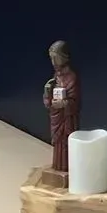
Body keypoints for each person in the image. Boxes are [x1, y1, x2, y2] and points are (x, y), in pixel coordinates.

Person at [43, 41, 81, 175]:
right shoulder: (55, 77)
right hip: (57, 117)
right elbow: (50, 99)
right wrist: (48, 93)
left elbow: (75, 102)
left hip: (67, 120)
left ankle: (67, 170)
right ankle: (58, 168)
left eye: (56, 57)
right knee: (58, 144)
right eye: (51, 58)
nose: (53, 61)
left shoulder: (72, 77)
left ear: (64, 57)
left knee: (66, 144)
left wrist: (65, 104)